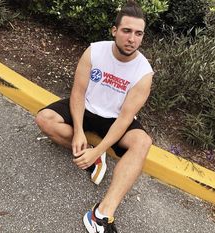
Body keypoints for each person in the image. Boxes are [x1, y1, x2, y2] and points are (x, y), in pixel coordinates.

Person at [35, 0, 154, 232]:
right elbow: (78, 92)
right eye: (127, 31)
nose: (132, 39)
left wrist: (99, 149)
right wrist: (78, 130)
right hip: (87, 108)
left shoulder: (143, 72)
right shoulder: (95, 50)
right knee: (44, 119)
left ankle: (101, 214)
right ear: (114, 31)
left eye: (138, 33)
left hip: (114, 119)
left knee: (143, 143)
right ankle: (92, 157)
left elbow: (124, 119)